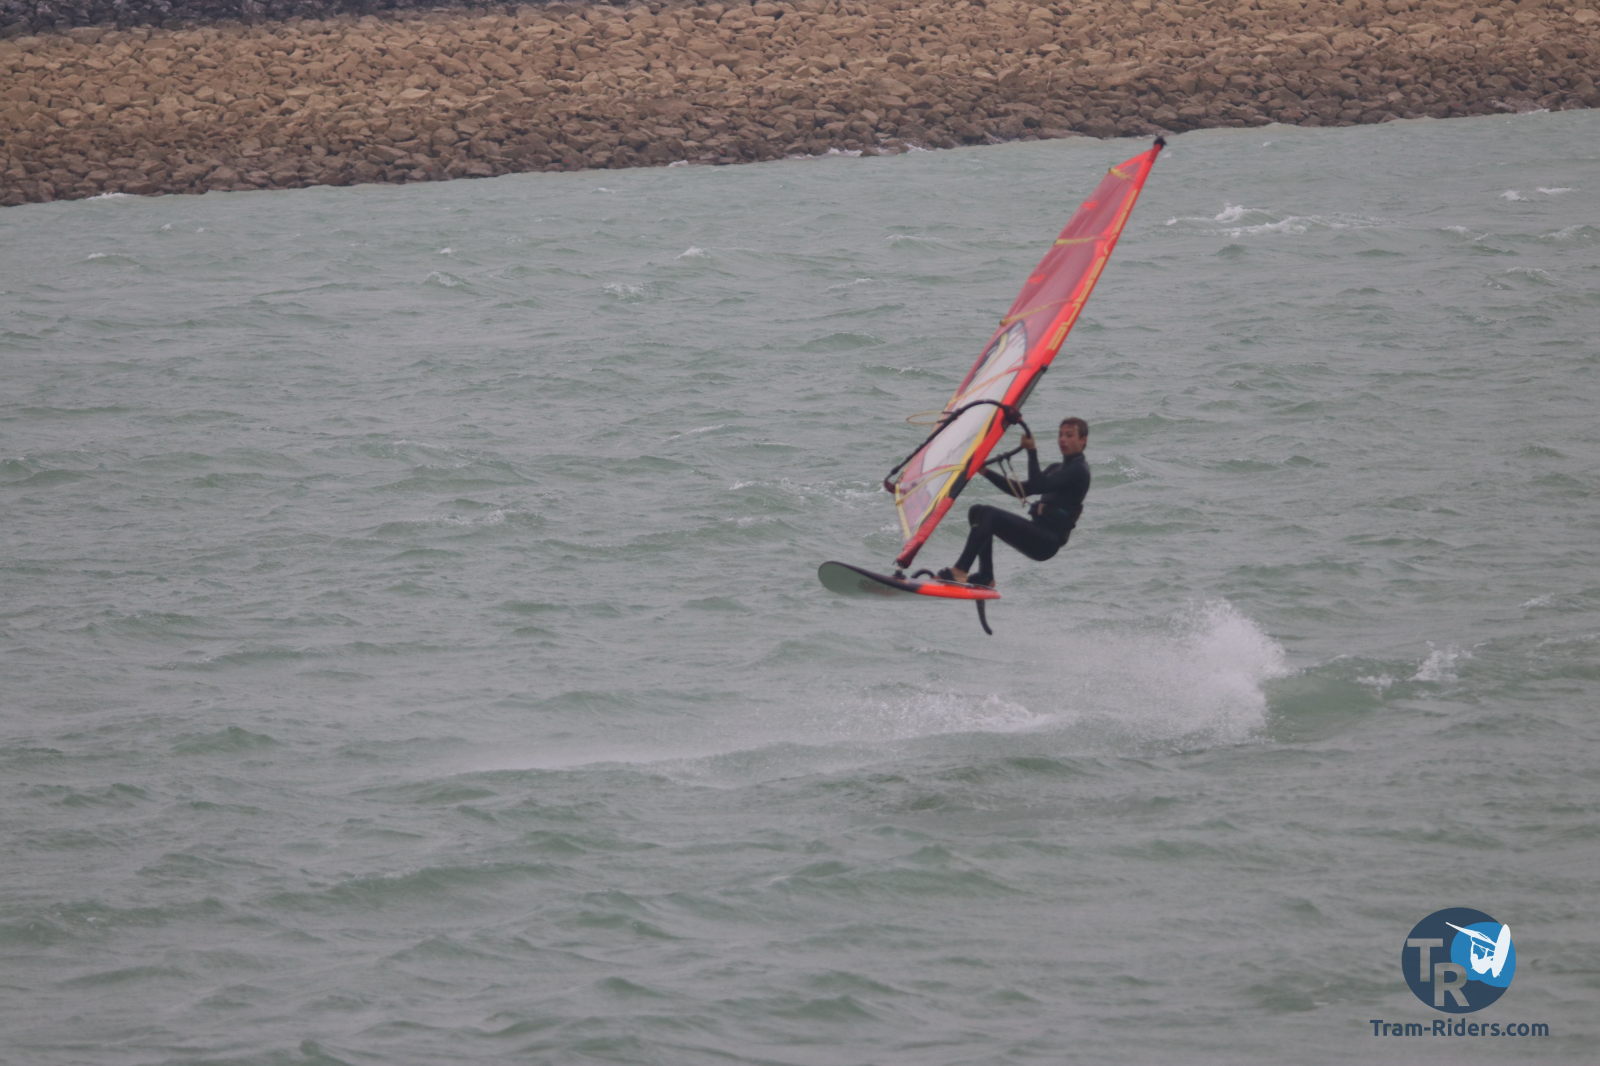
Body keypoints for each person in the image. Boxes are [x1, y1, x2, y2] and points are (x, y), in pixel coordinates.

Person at [936, 417, 1091, 587]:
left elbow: (1038, 485)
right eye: (1060, 435)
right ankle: (985, 575)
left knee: (988, 514)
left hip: (1047, 542)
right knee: (977, 511)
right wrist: (985, 471)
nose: (1062, 439)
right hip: (1038, 532)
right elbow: (1022, 490)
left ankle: (960, 570)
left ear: (1083, 440)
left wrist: (1031, 451)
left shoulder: (1079, 470)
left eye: (1069, 435)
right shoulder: (1056, 468)